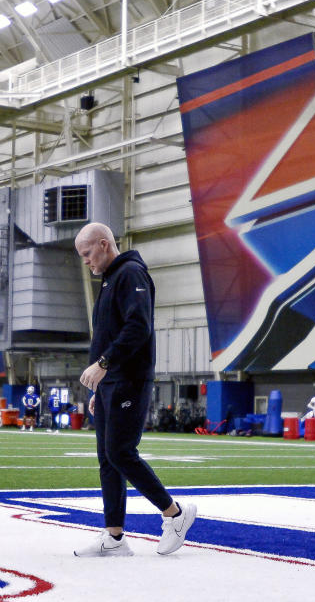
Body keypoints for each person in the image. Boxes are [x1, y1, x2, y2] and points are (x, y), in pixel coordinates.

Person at [73, 222, 197, 557]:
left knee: (120, 452)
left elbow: (138, 326)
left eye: (87, 254)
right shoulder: (111, 279)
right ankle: (114, 537)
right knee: (107, 459)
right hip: (111, 382)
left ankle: (175, 514)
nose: (86, 262)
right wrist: (100, 387)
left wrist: (104, 363)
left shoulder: (130, 274)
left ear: (103, 244)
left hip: (129, 379)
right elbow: (109, 332)